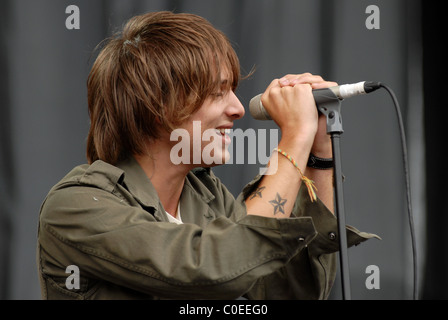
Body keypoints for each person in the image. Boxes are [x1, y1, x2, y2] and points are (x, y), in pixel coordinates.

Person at [37, 11, 378, 300]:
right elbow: (218, 266)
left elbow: (290, 292)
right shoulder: (76, 206)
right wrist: (294, 137)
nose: (237, 109)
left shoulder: (206, 196)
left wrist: (318, 154)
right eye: (218, 92)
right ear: (159, 104)